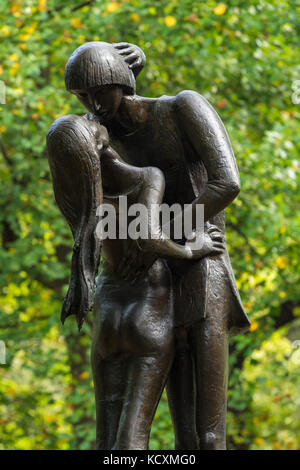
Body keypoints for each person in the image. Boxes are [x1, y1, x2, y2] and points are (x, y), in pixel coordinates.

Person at [50, 41, 251, 450]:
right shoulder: (95, 137)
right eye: (83, 96)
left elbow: (226, 182)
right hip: (145, 280)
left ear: (123, 81)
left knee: (207, 434)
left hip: (200, 262)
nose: (94, 103)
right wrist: (136, 246)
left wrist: (163, 237)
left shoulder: (180, 108)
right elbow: (97, 207)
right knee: (171, 435)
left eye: (101, 90)